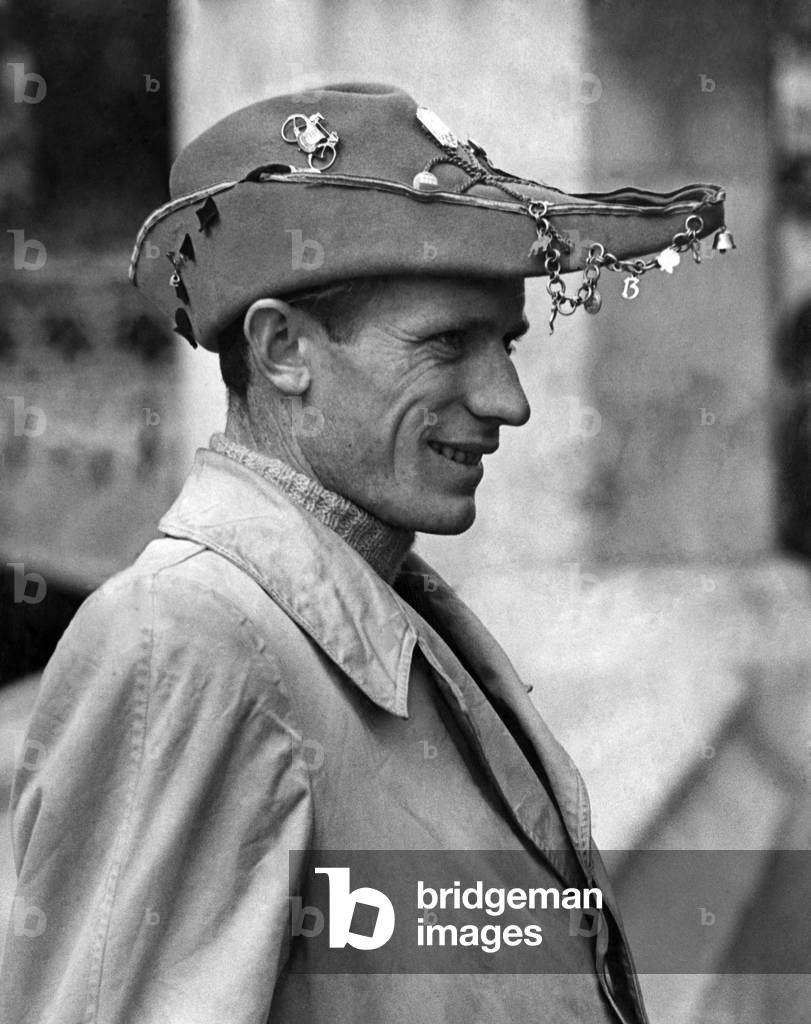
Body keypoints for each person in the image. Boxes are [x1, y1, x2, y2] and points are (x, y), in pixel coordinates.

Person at [0, 82, 730, 1024]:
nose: (509, 401)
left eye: (504, 343)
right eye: (446, 346)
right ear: (281, 349)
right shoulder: (187, 640)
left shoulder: (379, 612)